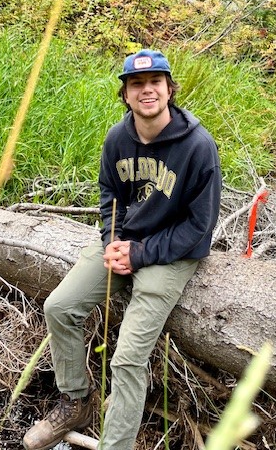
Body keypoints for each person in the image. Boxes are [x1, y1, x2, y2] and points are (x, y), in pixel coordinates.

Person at [23, 49, 222, 450]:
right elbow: (110, 193)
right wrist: (112, 241)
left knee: (127, 358)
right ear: (126, 94)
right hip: (126, 241)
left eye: (155, 83)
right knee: (59, 307)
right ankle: (77, 402)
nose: (147, 90)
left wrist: (140, 255)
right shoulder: (118, 137)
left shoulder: (198, 147)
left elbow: (200, 229)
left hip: (174, 253)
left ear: (169, 89)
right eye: (137, 84)